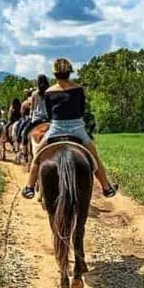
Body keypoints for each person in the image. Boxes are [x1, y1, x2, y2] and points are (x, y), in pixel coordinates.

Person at [22, 58, 117, 199]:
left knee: (37, 157)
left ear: (54, 75)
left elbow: (49, 114)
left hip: (56, 129)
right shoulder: (78, 89)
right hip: (77, 128)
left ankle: (29, 187)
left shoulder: (49, 92)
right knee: (95, 158)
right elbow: (81, 109)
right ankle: (106, 187)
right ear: (69, 73)